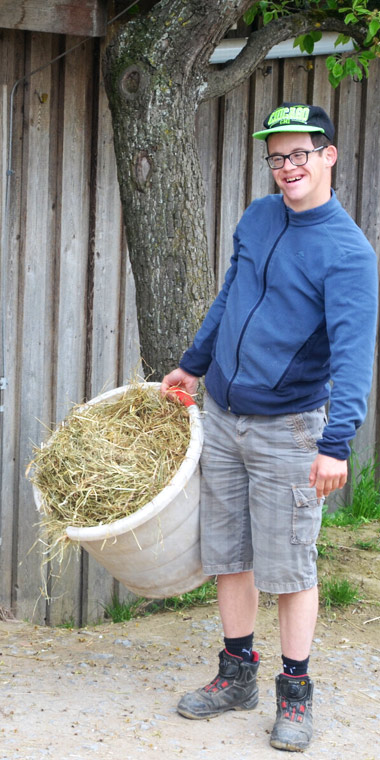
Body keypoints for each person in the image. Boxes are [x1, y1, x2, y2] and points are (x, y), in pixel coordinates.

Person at [161, 102, 378, 752]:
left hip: (291, 429)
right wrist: (193, 366)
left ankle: (295, 693)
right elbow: (230, 295)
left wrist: (336, 444)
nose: (286, 169)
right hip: (225, 416)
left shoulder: (348, 254)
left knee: (289, 567)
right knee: (228, 554)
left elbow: (353, 352)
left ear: (328, 155)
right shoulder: (258, 218)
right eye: (277, 157)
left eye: (299, 155)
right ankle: (236, 675)